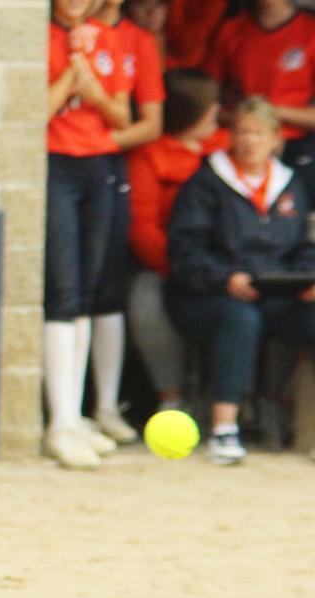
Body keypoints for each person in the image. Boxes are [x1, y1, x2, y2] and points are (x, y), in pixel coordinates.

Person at [167, 95, 315, 464]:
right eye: (244, 131)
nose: (251, 141)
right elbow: (186, 253)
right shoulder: (205, 183)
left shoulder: (291, 184)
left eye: (260, 133)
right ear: (231, 136)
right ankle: (224, 429)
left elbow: (303, 246)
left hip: (276, 294)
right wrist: (225, 278)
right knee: (240, 318)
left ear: (276, 139)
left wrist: (307, 278)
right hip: (209, 296)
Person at [44, 0, 131, 469]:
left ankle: (75, 417)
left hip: (98, 167)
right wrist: (72, 71)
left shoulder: (107, 36)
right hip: (58, 164)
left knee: (87, 291)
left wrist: (91, 88)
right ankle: (59, 421)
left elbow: (119, 114)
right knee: (63, 290)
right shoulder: (44, 36)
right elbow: (38, 110)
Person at [84, 0, 165, 445]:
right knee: (72, 292)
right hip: (79, 164)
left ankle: (108, 406)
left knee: (107, 286)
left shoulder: (138, 39)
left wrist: (99, 139)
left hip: (112, 165)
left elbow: (150, 123)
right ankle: (77, 411)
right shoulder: (78, 31)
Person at [126, 68, 229, 412]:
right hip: (170, 265)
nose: (218, 112)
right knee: (145, 300)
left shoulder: (226, 148)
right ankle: (170, 398)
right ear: (191, 113)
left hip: (227, 265)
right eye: (211, 107)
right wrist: (184, 267)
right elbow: (143, 229)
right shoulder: (149, 155)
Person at [202, 0, 315, 196]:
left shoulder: (310, 30)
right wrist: (248, 121)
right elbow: (204, 101)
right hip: (240, 140)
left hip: (296, 142)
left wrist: (269, 114)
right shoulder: (232, 29)